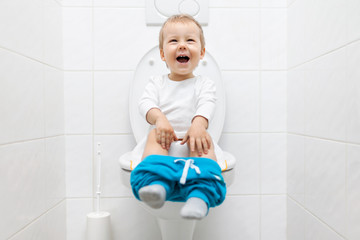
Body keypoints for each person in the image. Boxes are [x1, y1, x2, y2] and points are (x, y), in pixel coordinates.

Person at [130, 14, 226, 220]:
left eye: (189, 40)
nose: (182, 45)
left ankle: (199, 197)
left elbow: (207, 102)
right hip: (163, 145)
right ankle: (158, 186)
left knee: (204, 141)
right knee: (154, 135)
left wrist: (199, 123)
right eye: (174, 40)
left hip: (195, 144)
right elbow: (145, 103)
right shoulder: (156, 82)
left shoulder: (204, 83)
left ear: (201, 53)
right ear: (163, 54)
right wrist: (159, 119)